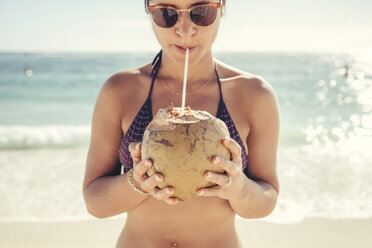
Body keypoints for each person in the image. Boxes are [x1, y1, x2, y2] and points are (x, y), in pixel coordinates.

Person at [83, 0, 280, 247]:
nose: (185, 30)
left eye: (201, 12)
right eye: (167, 14)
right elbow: (95, 202)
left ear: (222, 8)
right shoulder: (120, 91)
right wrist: (135, 182)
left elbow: (267, 199)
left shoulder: (254, 94)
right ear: (149, 11)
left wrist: (239, 188)